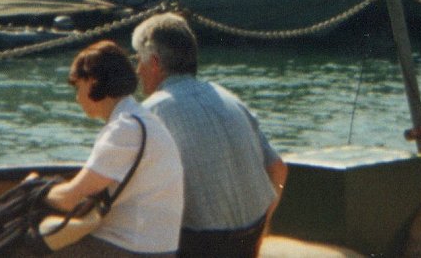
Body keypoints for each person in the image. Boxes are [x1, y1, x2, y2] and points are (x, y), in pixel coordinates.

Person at [131, 15, 285, 258]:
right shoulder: (229, 98)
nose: (137, 69)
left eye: (139, 60)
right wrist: (259, 230)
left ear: (155, 63)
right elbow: (278, 170)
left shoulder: (152, 111)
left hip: (201, 245)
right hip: (247, 238)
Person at [45, 40, 184, 258]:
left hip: (129, 250)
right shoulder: (142, 119)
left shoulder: (124, 129)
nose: (77, 97)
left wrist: (38, 191)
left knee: (24, 247)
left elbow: (70, 198)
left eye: (78, 86)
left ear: (92, 82)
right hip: (155, 249)